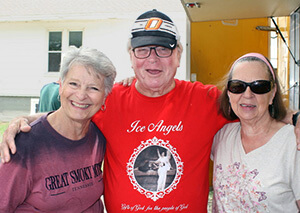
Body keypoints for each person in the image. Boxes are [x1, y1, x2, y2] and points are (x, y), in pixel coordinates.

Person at [0, 9, 298, 212]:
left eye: (163, 49)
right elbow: (75, 111)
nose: (153, 59)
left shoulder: (207, 99)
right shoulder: (109, 98)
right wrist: (25, 120)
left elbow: (251, 102)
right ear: (131, 56)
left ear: (178, 55)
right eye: (143, 50)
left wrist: (294, 118)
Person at [0, 46, 116, 212]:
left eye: (93, 88)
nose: (81, 95)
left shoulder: (98, 137)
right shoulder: (25, 145)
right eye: (74, 84)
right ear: (60, 86)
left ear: (105, 96)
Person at [211, 53, 300, 212]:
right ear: (229, 93)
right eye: (238, 86)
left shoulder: (293, 143)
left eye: (259, 86)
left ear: (272, 94)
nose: (247, 95)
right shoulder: (221, 136)